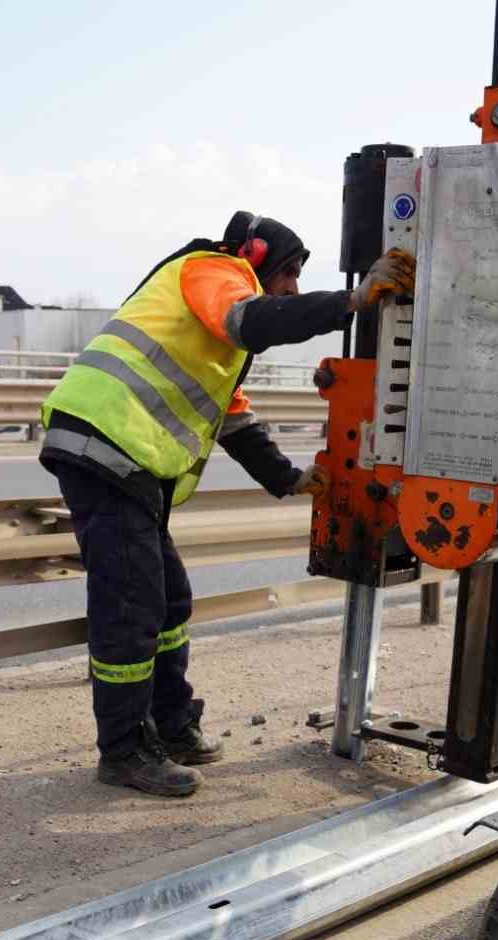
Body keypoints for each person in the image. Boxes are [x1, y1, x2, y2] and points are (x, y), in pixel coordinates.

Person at [38, 211, 415, 797]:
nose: (292, 287)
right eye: (289, 273)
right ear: (257, 258)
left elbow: (234, 420)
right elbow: (251, 320)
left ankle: (172, 726)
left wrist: (289, 479)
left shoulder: (215, 338)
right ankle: (123, 751)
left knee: (169, 601)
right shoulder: (213, 269)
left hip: (126, 460)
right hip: (104, 445)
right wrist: (351, 300)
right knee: (131, 606)